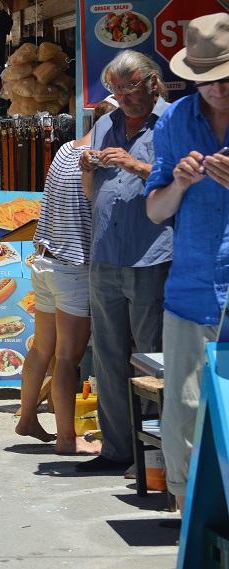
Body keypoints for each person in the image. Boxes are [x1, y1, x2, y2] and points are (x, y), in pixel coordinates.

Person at [144, 12, 229, 509]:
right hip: (193, 289)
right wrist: (177, 181)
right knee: (185, 410)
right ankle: (188, 521)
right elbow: (155, 211)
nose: (216, 90)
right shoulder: (176, 120)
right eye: (205, 80)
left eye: (223, 78)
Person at [76, 50, 173, 472]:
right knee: (108, 355)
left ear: (152, 82)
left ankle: (156, 455)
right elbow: (89, 193)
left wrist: (135, 165)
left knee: (152, 357)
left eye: (129, 88)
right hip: (106, 254)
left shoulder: (173, 122)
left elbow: (183, 181)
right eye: (115, 89)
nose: (121, 97)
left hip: (151, 254)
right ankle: (117, 449)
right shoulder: (105, 124)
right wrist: (86, 168)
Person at [15, 99, 117, 454]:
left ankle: (27, 417)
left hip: (45, 259)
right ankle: (66, 439)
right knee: (67, 358)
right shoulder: (98, 159)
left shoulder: (64, 150)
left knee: (43, 348)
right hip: (74, 267)